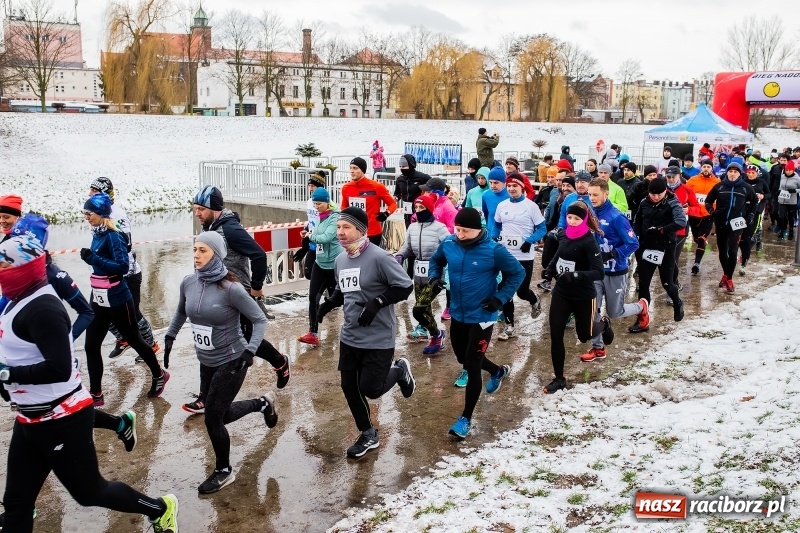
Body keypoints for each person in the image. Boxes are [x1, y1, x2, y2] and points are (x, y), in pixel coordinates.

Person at [0, 234, 179, 533]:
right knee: (17, 504)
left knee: (89, 492)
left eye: (5, 264)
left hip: (62, 418)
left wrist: (7, 374)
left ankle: (160, 509)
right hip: (30, 418)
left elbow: (57, 368)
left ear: (24, 267)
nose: (0, 270)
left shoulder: (43, 308)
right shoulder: (13, 304)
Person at [163, 231, 277, 494]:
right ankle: (262, 403)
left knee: (212, 418)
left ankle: (224, 471)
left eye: (203, 250)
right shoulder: (189, 282)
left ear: (216, 254)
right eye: (195, 249)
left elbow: (260, 320)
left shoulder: (232, 289)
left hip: (233, 360)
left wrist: (250, 351)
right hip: (207, 360)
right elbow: (182, 310)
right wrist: (170, 334)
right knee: (221, 413)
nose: (196, 255)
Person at [316, 207, 414, 458]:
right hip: (350, 336)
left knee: (371, 389)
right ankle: (368, 434)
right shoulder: (340, 259)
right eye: (338, 227)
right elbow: (344, 291)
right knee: (349, 387)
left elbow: (404, 287)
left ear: (361, 230)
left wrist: (377, 303)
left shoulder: (380, 257)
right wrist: (328, 303)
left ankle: (400, 370)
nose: (340, 233)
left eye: (346, 228)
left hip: (378, 337)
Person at [191, 186, 290, 415]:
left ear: (214, 209)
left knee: (244, 337)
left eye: (200, 209)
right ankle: (205, 396)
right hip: (215, 292)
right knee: (210, 338)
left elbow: (258, 254)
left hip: (236, 293)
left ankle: (280, 362)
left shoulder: (230, 229)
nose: (197, 213)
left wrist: (255, 287)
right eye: (195, 209)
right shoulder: (210, 227)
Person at [429, 207, 524, 438]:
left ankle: (465, 418)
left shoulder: (493, 250)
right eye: (458, 229)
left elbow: (518, 273)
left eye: (466, 231)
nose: (460, 235)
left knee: (471, 365)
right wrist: (434, 277)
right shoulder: (449, 243)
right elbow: (436, 260)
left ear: (479, 230)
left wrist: (500, 298)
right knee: (462, 357)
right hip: (458, 312)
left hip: (482, 315)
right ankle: (498, 370)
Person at [81, 193, 168, 404]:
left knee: (135, 339)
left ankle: (159, 374)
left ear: (101, 214)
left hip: (118, 296)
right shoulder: (96, 233)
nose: (86, 217)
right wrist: (95, 261)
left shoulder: (113, 236)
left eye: (89, 213)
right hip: (99, 295)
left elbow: (122, 267)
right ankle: (96, 394)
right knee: (91, 345)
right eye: (84, 213)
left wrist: (93, 258)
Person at [88, 178, 160, 360]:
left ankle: (151, 345)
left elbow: (124, 246)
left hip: (126, 273)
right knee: (96, 311)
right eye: (90, 191)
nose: (89, 194)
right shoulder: (93, 215)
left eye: (94, 192)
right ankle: (123, 338)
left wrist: (118, 269)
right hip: (104, 275)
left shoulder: (116, 215)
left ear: (105, 194)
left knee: (132, 314)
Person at [542, 201, 606, 393]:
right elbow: (559, 255)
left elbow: (599, 272)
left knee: (584, 335)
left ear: (584, 219)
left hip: (583, 294)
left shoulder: (589, 241)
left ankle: (604, 323)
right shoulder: (562, 234)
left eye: (577, 218)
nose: (572, 221)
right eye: (570, 217)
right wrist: (550, 269)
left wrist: (576, 275)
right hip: (562, 292)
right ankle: (559, 378)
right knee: (555, 334)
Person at [582, 179, 646, 361]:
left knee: (615, 312)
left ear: (606, 194)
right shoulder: (589, 212)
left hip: (616, 271)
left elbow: (634, 243)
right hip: (595, 272)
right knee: (592, 310)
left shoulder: (617, 217)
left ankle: (641, 307)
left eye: (595, 194)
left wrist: (612, 255)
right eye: (590, 194)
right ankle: (598, 348)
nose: (592, 198)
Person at [490, 172, 547, 340]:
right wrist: (494, 239)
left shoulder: (531, 206)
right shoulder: (502, 205)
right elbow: (497, 226)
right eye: (509, 186)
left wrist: (530, 241)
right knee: (504, 290)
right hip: (506, 254)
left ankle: (534, 299)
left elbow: (542, 229)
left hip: (524, 255)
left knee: (521, 291)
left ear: (522, 187)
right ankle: (509, 326)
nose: (512, 189)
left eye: (515, 186)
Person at [396, 194, 450, 350]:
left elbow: (450, 247)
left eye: (422, 207)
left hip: (435, 276)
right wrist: (400, 255)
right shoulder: (412, 227)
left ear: (429, 209)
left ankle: (436, 333)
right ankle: (434, 337)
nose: (418, 210)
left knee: (419, 309)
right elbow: (407, 247)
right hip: (418, 275)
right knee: (425, 309)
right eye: (416, 208)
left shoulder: (439, 228)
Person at [631, 178, 687, 329]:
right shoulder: (644, 202)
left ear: (665, 191)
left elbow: (681, 221)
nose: (655, 197)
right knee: (643, 284)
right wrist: (636, 235)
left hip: (666, 247)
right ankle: (642, 320)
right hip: (647, 247)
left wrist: (662, 229)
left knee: (667, 283)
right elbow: (637, 221)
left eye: (659, 194)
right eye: (652, 194)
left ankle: (677, 301)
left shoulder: (672, 202)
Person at [297, 187, 343, 347]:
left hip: (334, 264)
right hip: (320, 263)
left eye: (318, 204)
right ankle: (313, 333)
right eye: (314, 204)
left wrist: (312, 236)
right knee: (312, 297)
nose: (316, 207)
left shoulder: (335, 217)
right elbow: (316, 233)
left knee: (338, 299)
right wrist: (307, 234)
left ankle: (351, 327)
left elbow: (327, 237)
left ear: (327, 202)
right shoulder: (321, 216)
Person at [705, 162, 757, 293]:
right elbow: (708, 201)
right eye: (730, 171)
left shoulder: (746, 188)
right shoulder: (719, 186)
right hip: (721, 222)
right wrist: (711, 211)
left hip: (737, 223)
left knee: (733, 251)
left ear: (740, 173)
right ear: (727, 173)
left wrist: (750, 215)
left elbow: (755, 202)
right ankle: (726, 274)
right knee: (722, 251)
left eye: (735, 172)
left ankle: (729, 279)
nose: (732, 174)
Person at [342, 157, 398, 246]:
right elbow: (344, 208)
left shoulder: (376, 186)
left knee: (369, 259)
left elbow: (392, 203)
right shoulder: (346, 188)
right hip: (354, 233)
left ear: (363, 170)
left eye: (355, 168)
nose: (352, 171)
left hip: (372, 233)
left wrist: (386, 213)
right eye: (351, 168)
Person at [664, 166, 703, 290]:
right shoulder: (662, 189)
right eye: (668, 177)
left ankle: (673, 285)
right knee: (665, 258)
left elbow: (698, 209)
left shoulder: (687, 189)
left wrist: (689, 210)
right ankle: (671, 282)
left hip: (680, 230)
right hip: (664, 228)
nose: (670, 180)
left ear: (679, 176)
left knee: (673, 258)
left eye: (672, 177)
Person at [685, 159, 721, 275]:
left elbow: (720, 197)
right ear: (701, 168)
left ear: (712, 169)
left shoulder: (717, 182)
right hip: (694, 215)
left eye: (708, 167)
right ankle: (700, 244)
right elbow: (686, 195)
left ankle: (696, 263)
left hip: (708, 215)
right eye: (704, 166)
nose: (706, 169)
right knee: (696, 238)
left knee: (701, 239)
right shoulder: (692, 180)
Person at [292, 170, 326, 279]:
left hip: (323, 242)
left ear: (320, 187)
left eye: (313, 186)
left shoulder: (327, 202)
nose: (311, 189)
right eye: (309, 186)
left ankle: (325, 291)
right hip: (312, 241)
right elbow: (312, 219)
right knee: (308, 273)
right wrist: (306, 229)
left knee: (322, 273)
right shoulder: (309, 202)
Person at [740, 164, 770, 273]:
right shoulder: (742, 181)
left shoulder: (762, 182)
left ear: (757, 173)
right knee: (739, 237)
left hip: (756, 212)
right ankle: (747, 248)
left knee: (747, 238)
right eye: (749, 172)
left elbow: (769, 194)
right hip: (741, 212)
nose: (751, 175)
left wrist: (763, 196)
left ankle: (744, 263)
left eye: (753, 173)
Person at [393, 154, 430, 228]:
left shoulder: (422, 177)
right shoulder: (400, 179)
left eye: (403, 166)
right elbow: (397, 194)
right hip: (407, 211)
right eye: (400, 167)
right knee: (409, 233)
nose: (401, 169)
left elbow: (435, 184)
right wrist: (394, 199)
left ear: (411, 165)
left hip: (420, 210)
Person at [482, 166, 511, 237]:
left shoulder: (511, 195)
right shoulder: (486, 195)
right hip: (491, 233)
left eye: (496, 183)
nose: (492, 185)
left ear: (504, 182)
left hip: (507, 234)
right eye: (490, 182)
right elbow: (486, 213)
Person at [776, 160, 800, 241]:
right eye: (786, 170)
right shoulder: (782, 176)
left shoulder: (797, 178)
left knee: (790, 217)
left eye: (790, 170)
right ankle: (782, 231)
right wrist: (779, 191)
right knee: (781, 216)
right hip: (782, 200)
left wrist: (795, 190)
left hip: (791, 201)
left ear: (793, 170)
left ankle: (791, 231)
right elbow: (780, 185)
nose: (788, 172)